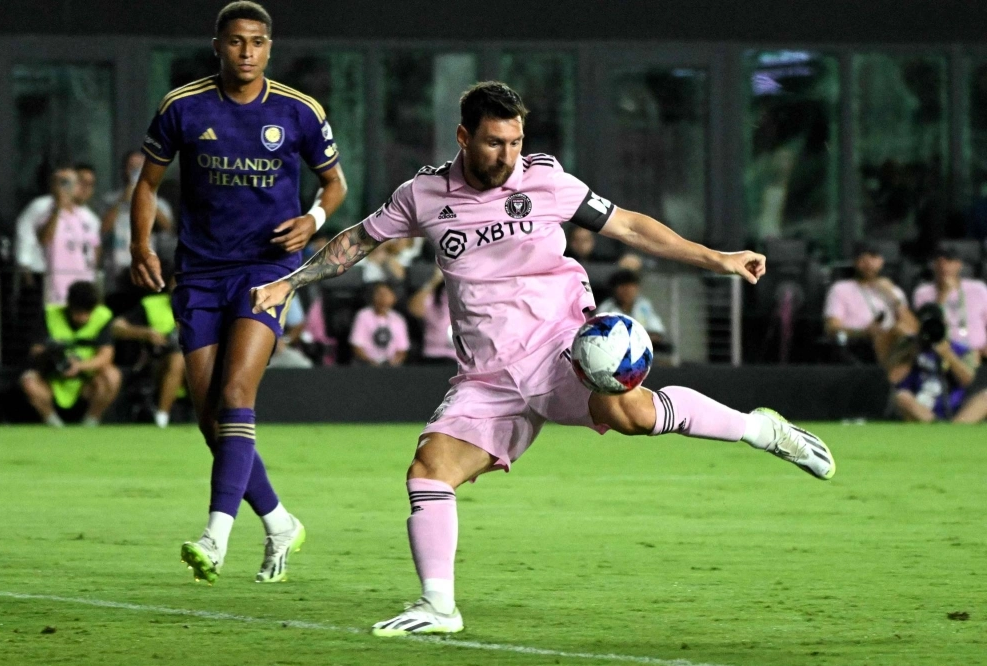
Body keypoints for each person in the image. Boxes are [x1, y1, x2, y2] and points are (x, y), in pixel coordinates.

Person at [251, 81, 836, 636]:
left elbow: (629, 225)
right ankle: (438, 606)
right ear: (463, 137)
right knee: (429, 472)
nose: (507, 155)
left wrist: (716, 258)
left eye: (515, 142)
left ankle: (765, 430)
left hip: (563, 349)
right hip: (487, 375)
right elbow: (358, 241)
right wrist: (292, 283)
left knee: (636, 416)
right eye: (493, 142)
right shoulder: (423, 194)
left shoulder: (547, 182)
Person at [129, 0, 348, 585]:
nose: (246, 52)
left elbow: (335, 183)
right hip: (200, 272)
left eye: (256, 42)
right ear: (218, 46)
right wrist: (141, 247)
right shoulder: (183, 106)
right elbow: (147, 184)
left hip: (268, 270)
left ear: (269, 49)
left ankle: (215, 536)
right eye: (235, 41)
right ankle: (278, 521)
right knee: (210, 420)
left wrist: (315, 218)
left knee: (234, 393)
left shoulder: (299, 112)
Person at [20, 280, 121, 427]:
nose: (82, 318)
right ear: (69, 304)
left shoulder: (103, 317)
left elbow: (106, 356)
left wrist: (79, 366)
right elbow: (36, 351)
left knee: (113, 376)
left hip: (85, 382)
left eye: (87, 313)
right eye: (78, 312)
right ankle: (54, 424)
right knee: (28, 381)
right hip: (53, 379)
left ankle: (90, 423)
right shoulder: (50, 314)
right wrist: (53, 357)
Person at [15, 165, 102, 305]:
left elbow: (94, 248)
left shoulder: (86, 216)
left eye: (69, 182)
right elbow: (42, 239)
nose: (66, 187)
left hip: (82, 284)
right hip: (53, 284)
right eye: (62, 182)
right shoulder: (44, 208)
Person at [111, 265, 186, 428]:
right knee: (177, 359)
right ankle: (162, 417)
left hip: (197, 365)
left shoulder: (204, 307)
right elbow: (116, 327)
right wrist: (146, 333)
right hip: (158, 363)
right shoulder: (151, 304)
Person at [823, 241, 917, 366]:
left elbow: (913, 330)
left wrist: (892, 296)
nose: (868, 263)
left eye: (873, 257)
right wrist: (864, 332)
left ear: (881, 261)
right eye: (862, 258)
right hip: (857, 345)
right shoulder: (841, 289)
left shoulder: (893, 290)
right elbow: (831, 328)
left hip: (893, 346)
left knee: (903, 332)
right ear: (855, 262)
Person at [888, 304, 987, 423]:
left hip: (955, 408)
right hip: (923, 408)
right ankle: (936, 425)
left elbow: (967, 380)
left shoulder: (960, 350)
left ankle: (956, 428)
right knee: (902, 397)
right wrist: (913, 350)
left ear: (944, 324)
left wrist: (948, 355)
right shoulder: (909, 347)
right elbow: (893, 378)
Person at [101, 151, 174, 292]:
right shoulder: (111, 199)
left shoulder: (160, 202)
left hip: (146, 266)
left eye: (140, 167)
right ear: (124, 170)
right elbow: (103, 229)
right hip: (116, 270)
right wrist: (123, 200)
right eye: (132, 167)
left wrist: (144, 199)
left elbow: (168, 228)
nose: (136, 171)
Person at [912, 244, 987, 360]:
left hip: (978, 355)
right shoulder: (922, 293)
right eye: (938, 261)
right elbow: (928, 329)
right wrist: (943, 295)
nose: (943, 266)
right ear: (933, 266)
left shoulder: (978, 289)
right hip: (941, 356)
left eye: (949, 261)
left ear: (959, 265)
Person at [597, 269, 667, 345]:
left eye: (630, 287)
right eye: (623, 287)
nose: (627, 291)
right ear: (614, 289)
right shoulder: (606, 309)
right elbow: (601, 335)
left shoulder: (643, 305)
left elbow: (657, 331)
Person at [349, 282, 410, 366]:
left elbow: (402, 349)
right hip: (366, 365)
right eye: (379, 294)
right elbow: (356, 345)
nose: (382, 298)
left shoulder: (398, 319)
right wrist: (371, 363)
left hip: (391, 367)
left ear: (394, 298)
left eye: (386, 294)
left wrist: (392, 364)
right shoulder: (363, 316)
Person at [407, 267, 457, 364]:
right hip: (433, 354)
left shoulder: (468, 296)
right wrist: (433, 281)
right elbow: (414, 309)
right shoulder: (434, 297)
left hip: (461, 358)